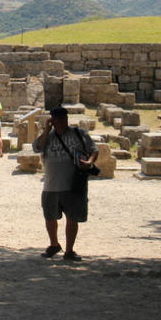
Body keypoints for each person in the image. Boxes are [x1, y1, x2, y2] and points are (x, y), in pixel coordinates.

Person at [33, 106, 98, 261]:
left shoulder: (78, 134)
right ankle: (54, 244)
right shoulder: (47, 137)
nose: (61, 122)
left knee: (72, 218)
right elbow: (37, 148)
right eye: (57, 120)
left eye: (63, 119)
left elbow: (93, 150)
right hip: (51, 184)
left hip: (73, 183)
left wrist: (89, 162)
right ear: (52, 121)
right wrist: (46, 130)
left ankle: (69, 250)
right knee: (50, 217)